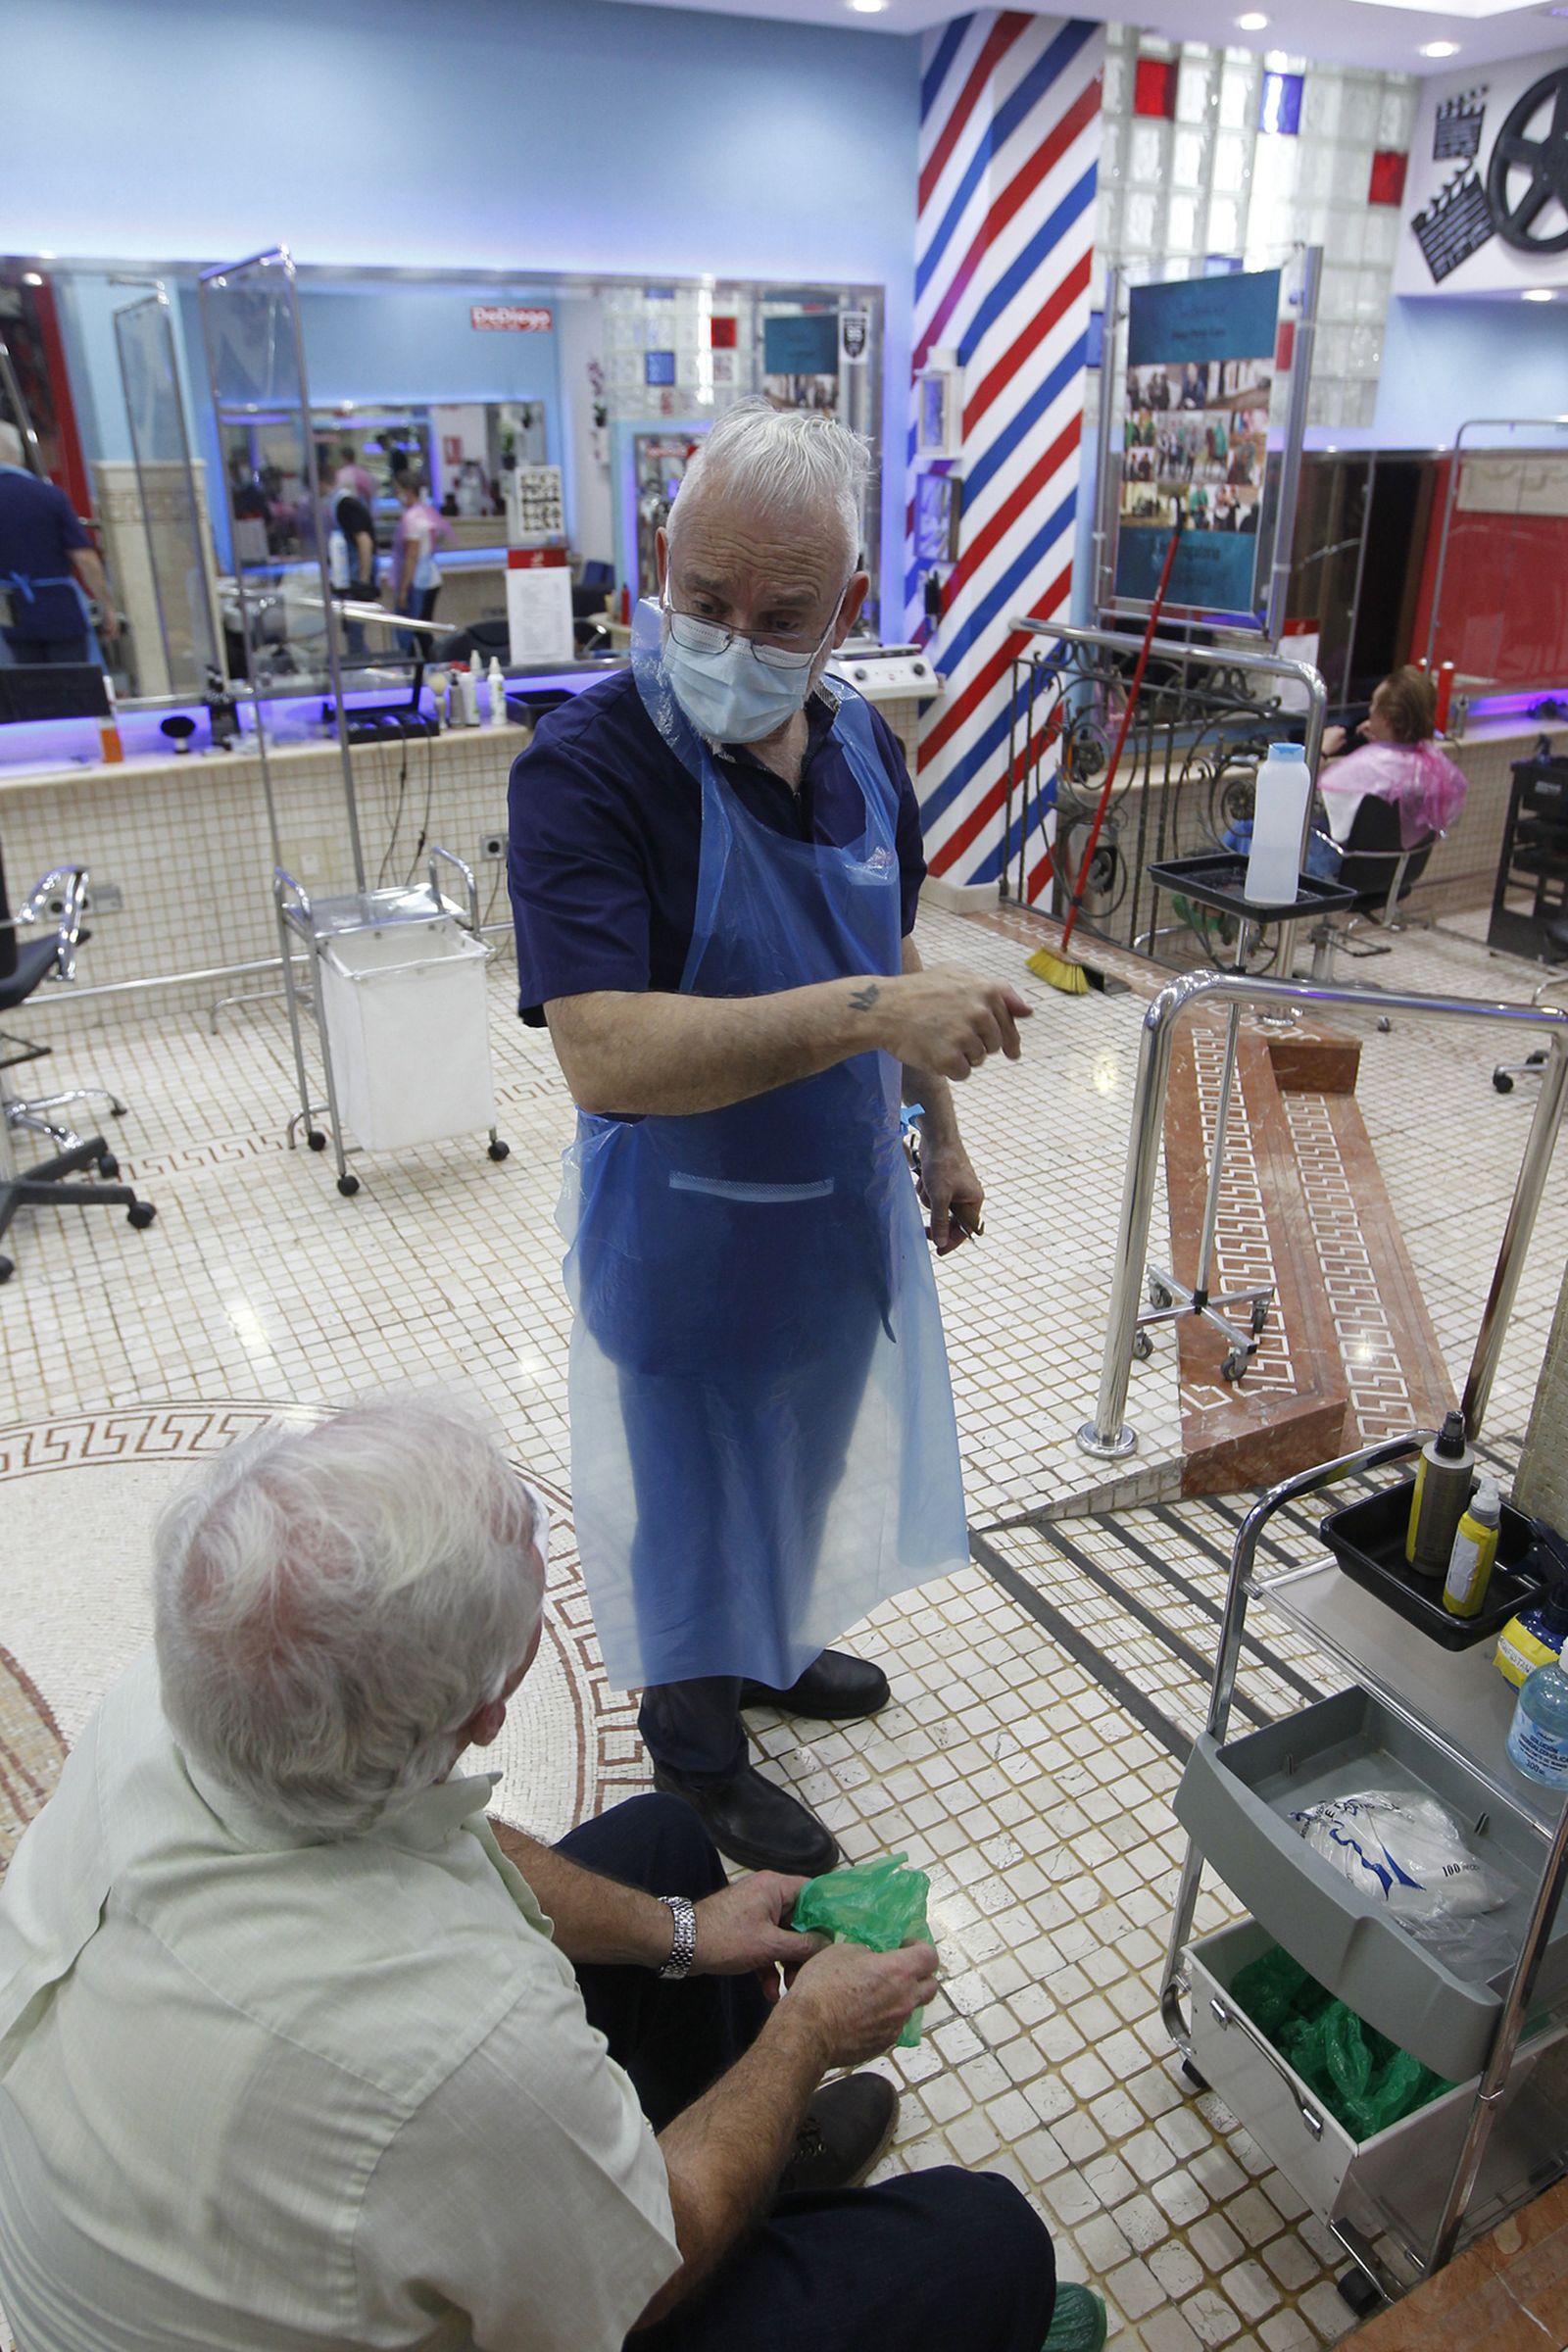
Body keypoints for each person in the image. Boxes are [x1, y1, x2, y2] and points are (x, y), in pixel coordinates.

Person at [0, 1394, 1069, 2352]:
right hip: (411, 2205)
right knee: (986, 2244)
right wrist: (806, 2036)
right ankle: (708, 2185)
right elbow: (646, 2276)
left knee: (662, 1844)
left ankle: (747, 2166)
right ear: (486, 1712)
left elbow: (422, 1821)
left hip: (166, 2229)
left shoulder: (192, 1684)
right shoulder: (458, 2043)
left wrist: (688, 1933)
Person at [509, 404, 1030, 1879]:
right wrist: (873, 1015)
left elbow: (893, 934)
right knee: (691, 1497)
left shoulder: (866, 742)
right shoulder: (591, 766)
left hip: (833, 1219)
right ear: (659, 570)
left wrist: (943, 1132)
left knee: (798, 1457)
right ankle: (700, 1747)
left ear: (845, 612)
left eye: (780, 615)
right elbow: (601, 1051)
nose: (736, 637)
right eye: (703, 602)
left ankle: (772, 1644)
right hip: (684, 1234)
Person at [0, 421, 117, 665]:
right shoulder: (50, 496)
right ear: (17, 452)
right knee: (72, 688)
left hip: (10, 613)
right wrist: (107, 604)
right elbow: (84, 558)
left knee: (28, 691)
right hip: (59, 610)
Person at [1317, 665, 1468, 850]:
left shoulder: (1368, 765)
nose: (1370, 710)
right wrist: (1383, 739)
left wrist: (1322, 750)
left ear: (1386, 719)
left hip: (1338, 867)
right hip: (1398, 868)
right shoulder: (1431, 765)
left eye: (1374, 704)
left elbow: (1306, 792)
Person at [321, 453, 378, 662]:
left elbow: (364, 541)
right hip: (347, 575)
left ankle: (361, 665)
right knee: (351, 629)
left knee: (355, 630)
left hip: (354, 577)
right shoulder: (338, 503)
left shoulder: (345, 504)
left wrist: (362, 579)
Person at [388, 468, 450, 656]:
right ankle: (429, 667)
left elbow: (411, 556)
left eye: (398, 490)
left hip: (418, 581)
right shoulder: (426, 513)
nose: (396, 495)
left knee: (412, 629)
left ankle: (420, 668)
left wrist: (404, 590)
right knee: (422, 628)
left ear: (408, 490)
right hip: (431, 577)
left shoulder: (412, 519)